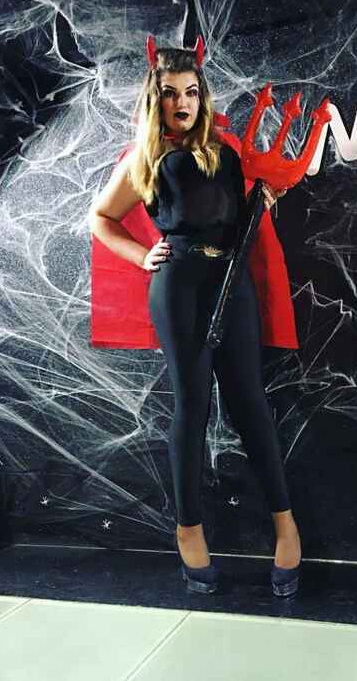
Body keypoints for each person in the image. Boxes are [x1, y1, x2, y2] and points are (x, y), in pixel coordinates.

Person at [88, 36, 302, 597]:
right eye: (169, 93)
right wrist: (142, 255)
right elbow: (101, 218)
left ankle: (286, 526)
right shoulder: (145, 158)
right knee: (192, 406)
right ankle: (188, 531)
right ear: (154, 99)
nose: (181, 101)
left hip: (232, 284)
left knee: (250, 402)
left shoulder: (224, 151)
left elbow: (237, 218)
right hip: (178, 285)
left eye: (190, 91)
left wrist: (265, 200)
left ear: (201, 95)